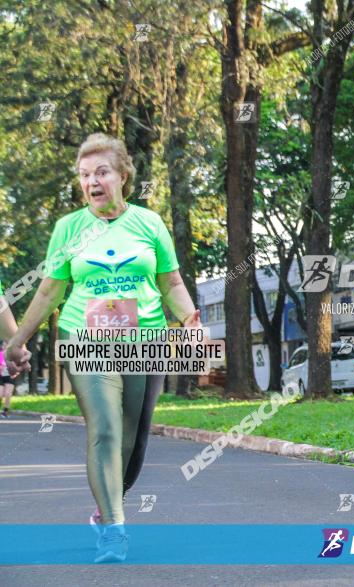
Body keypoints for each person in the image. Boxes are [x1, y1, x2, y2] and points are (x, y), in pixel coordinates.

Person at [6, 133, 201, 563]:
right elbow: (49, 291)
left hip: (145, 339)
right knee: (106, 429)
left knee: (132, 440)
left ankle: (109, 502)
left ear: (122, 176)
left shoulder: (149, 224)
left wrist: (189, 320)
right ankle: (114, 528)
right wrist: (16, 343)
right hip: (85, 339)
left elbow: (170, 282)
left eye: (101, 172)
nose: (91, 181)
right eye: (84, 175)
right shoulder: (69, 229)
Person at [0, 342, 14, 418]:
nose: (5, 346)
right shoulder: (0, 354)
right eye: (4, 345)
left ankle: (5, 411)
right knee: (0, 395)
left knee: (8, 393)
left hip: (8, 376)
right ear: (2, 346)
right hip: (0, 376)